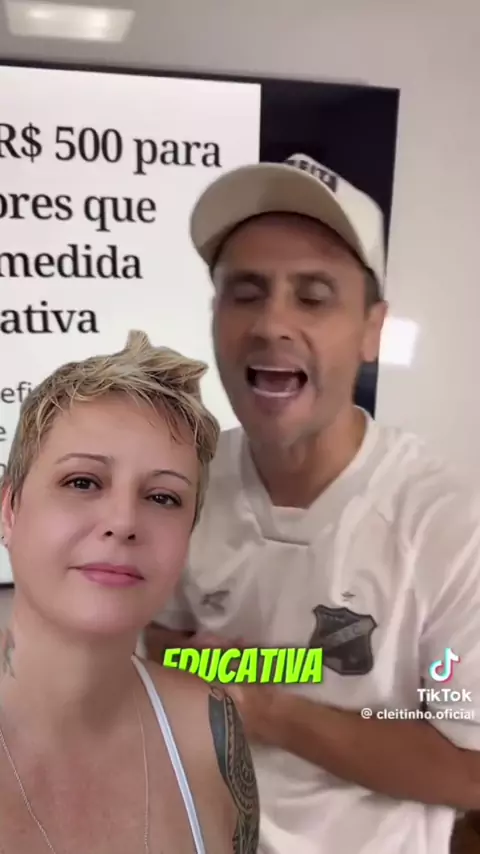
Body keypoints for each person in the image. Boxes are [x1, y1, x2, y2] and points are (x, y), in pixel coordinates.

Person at [145, 153, 480, 854]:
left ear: (371, 330)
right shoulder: (184, 481)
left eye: (314, 295)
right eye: (246, 292)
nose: (272, 322)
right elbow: (167, 642)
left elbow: (470, 767)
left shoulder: (451, 525)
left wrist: (268, 709)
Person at [0, 331, 259, 854]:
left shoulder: (210, 728)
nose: (123, 521)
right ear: (9, 510)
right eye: (82, 482)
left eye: (163, 497)